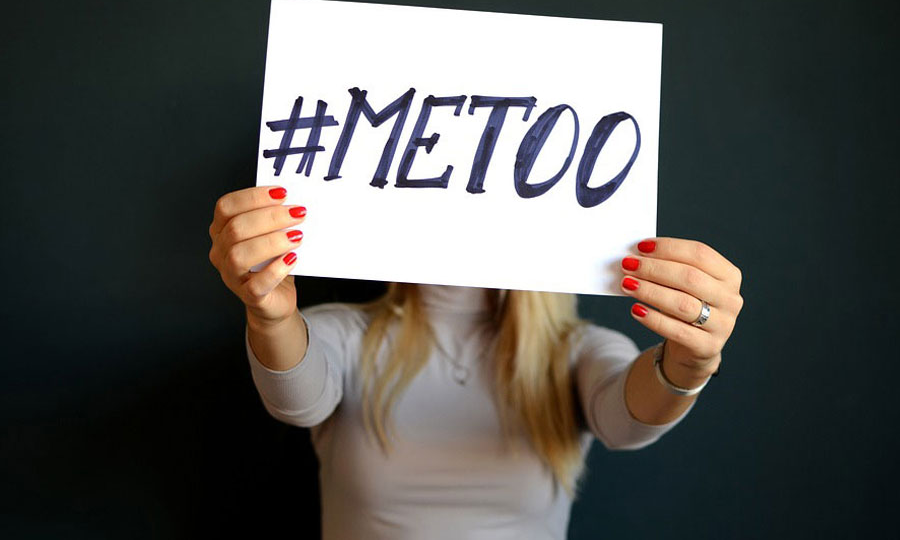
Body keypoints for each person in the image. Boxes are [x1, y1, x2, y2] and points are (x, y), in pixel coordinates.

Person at [208, 185, 744, 540]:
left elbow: (629, 422)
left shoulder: (576, 350)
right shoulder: (346, 333)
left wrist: (691, 364)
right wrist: (270, 316)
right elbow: (296, 400)